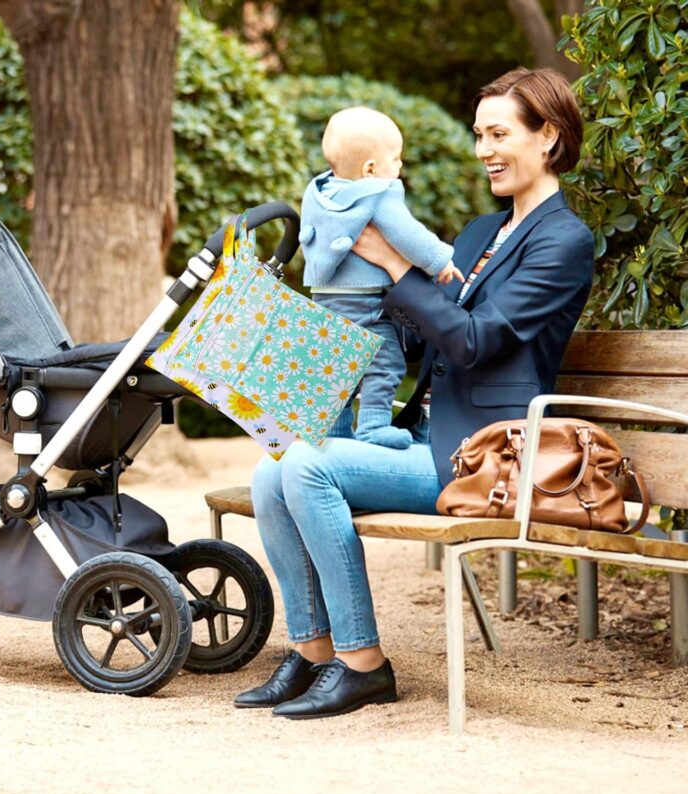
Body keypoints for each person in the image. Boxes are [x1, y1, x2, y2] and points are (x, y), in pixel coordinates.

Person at [234, 67, 594, 720]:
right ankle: (314, 651)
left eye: (499, 133)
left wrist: (397, 266)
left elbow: (475, 341)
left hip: (483, 454)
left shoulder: (563, 241)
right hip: (427, 436)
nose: (483, 149)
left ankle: (364, 665)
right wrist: (333, 315)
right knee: (270, 470)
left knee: (308, 468)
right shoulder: (483, 232)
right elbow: (428, 331)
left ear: (547, 137)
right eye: (479, 133)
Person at [299, 106, 463, 450]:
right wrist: (440, 261)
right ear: (371, 169)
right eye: (396, 159)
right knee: (385, 360)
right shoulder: (378, 192)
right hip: (365, 300)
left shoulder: (318, 193)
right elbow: (407, 234)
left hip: (324, 299)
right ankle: (373, 426)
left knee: (337, 366)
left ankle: (334, 433)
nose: (400, 167)